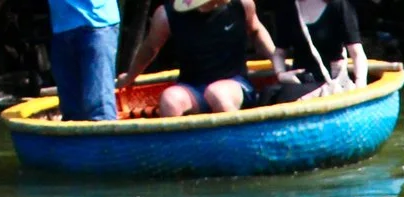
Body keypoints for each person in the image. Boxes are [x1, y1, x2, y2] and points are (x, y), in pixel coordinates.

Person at [122, 0, 291, 117]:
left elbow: (256, 31)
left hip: (235, 83)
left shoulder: (241, 4)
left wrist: (279, 66)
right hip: (193, 87)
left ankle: (234, 147)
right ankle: (181, 156)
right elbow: (150, 48)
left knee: (218, 93)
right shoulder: (166, 15)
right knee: (170, 100)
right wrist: (130, 76)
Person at [265, 0, 366, 94]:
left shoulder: (339, 5)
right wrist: (281, 74)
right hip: (299, 82)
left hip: (332, 83)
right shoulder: (288, 8)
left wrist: (360, 86)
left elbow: (357, 53)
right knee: (269, 93)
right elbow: (279, 53)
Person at [48, 0, 122, 121]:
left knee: (99, 108)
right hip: (62, 28)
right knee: (71, 112)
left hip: (97, 24)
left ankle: (105, 139)